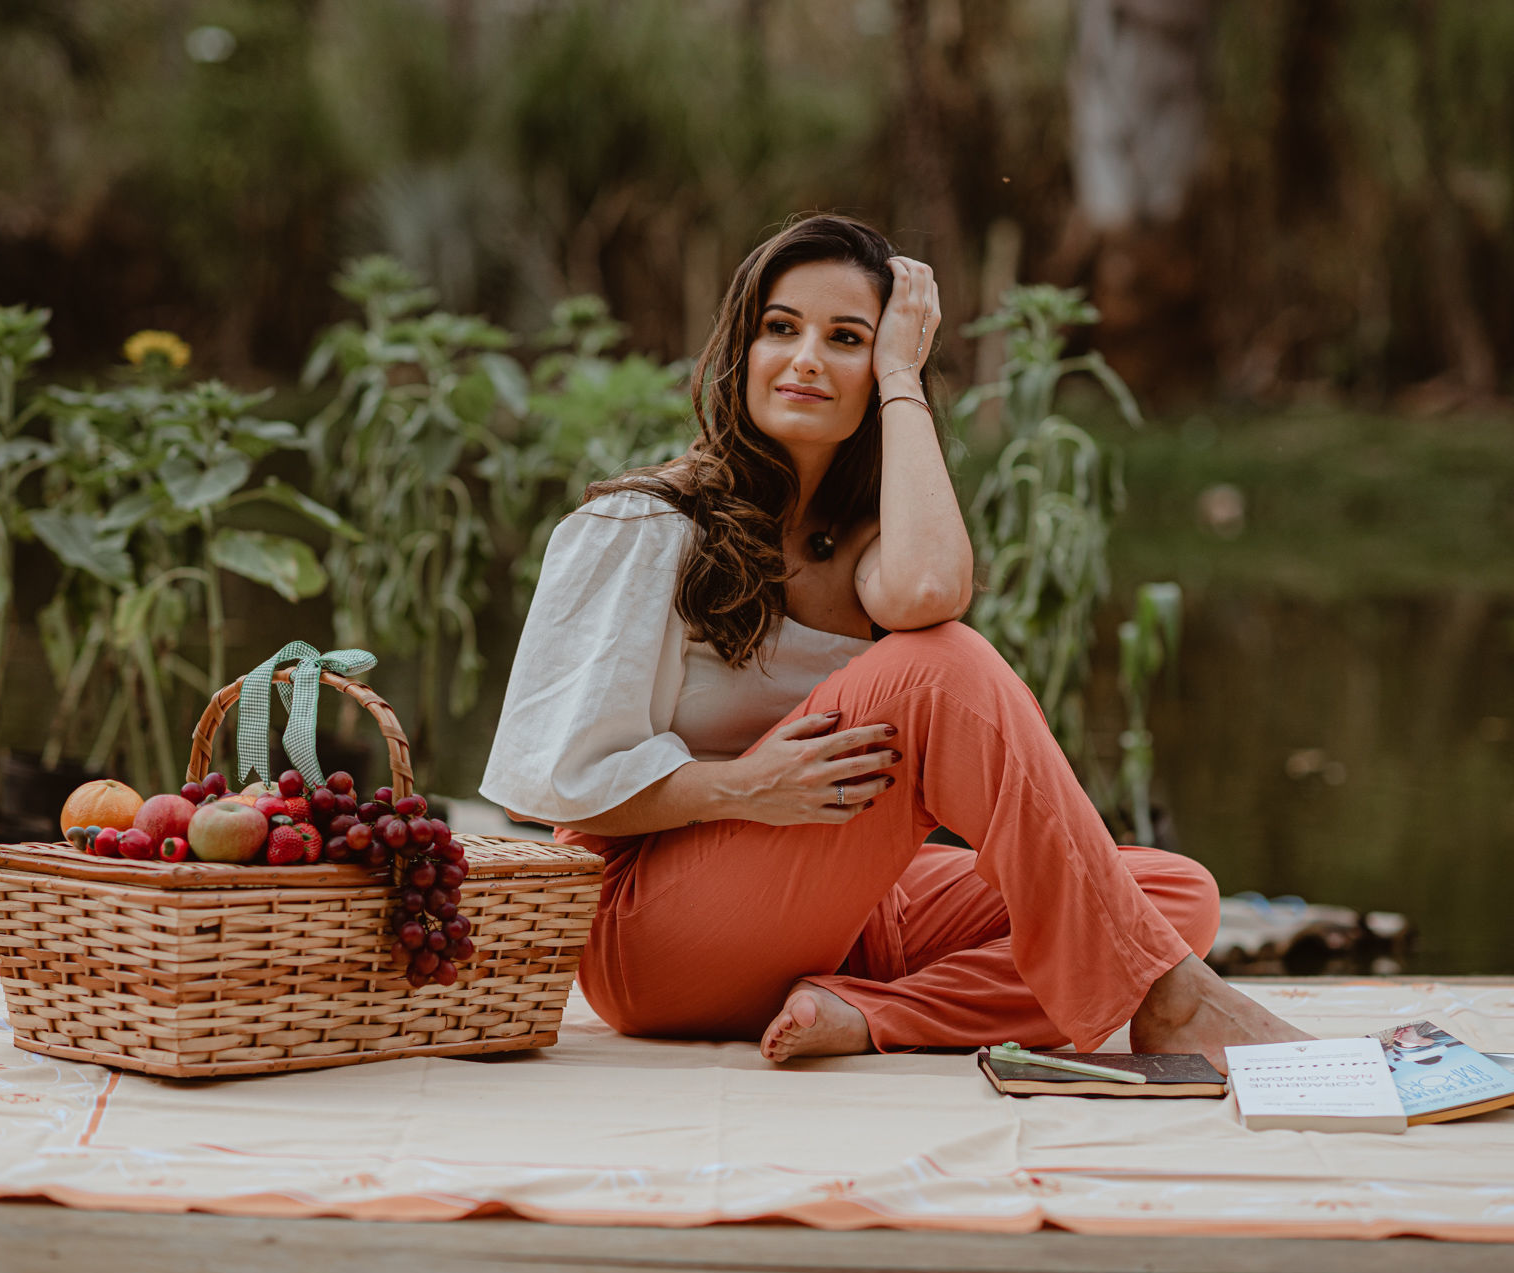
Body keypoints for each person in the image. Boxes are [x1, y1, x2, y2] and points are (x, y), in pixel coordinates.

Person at [480, 213, 1305, 1069]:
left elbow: (926, 592)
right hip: (652, 930)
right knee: (938, 671)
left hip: (841, 916)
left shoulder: (869, 541)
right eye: (780, 329)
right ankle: (1176, 1002)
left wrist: (904, 375)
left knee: (1168, 900)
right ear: (740, 350)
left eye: (846, 339)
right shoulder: (645, 523)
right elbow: (556, 786)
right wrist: (737, 788)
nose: (805, 359)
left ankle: (875, 1014)